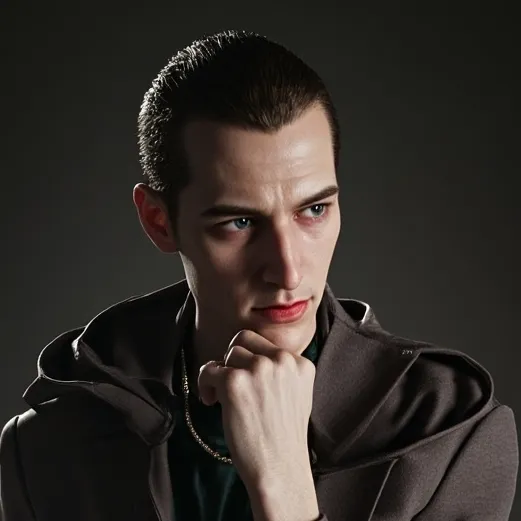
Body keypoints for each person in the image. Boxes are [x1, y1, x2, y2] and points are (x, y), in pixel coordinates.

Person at [0, 29, 518, 521]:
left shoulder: (450, 435)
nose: (287, 270)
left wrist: (283, 486)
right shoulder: (44, 449)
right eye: (240, 223)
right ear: (159, 221)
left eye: (314, 210)